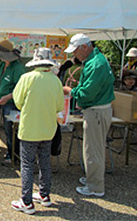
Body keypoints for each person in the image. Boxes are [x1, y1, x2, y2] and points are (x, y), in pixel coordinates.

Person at [11, 48, 64, 215]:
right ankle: (44, 195)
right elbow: (59, 106)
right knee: (45, 162)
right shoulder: (55, 80)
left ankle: (26, 202)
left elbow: (18, 102)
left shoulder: (27, 78)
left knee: (27, 164)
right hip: (48, 128)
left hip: (29, 129)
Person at [63, 33, 115, 197]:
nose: (74, 55)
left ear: (85, 47)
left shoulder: (96, 64)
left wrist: (71, 91)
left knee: (93, 150)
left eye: (75, 51)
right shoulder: (96, 60)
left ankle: (95, 187)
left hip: (96, 111)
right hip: (97, 110)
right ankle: (92, 178)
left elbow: (87, 93)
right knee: (93, 148)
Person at [0, 40, 26, 162]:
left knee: (10, 129)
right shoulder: (2, 65)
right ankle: (10, 151)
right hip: (1, 99)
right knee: (5, 128)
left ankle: (14, 154)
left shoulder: (18, 68)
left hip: (11, 103)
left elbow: (20, 88)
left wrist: (8, 97)